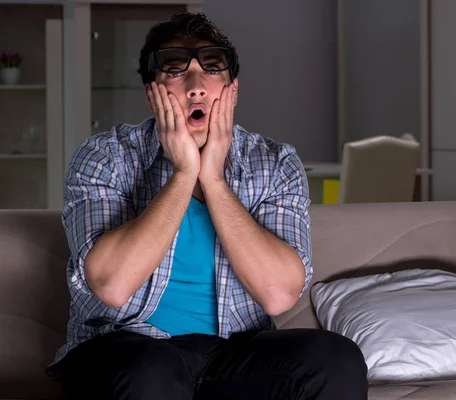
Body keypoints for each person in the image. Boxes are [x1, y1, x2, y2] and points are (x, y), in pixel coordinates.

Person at [45, 10, 368, 400]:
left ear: (232, 89)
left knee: (337, 358)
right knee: (150, 369)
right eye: (177, 71)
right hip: (125, 347)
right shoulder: (104, 157)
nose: (196, 87)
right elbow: (112, 286)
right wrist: (183, 173)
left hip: (233, 352)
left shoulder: (274, 163)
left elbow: (279, 294)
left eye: (212, 69)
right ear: (152, 93)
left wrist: (213, 178)